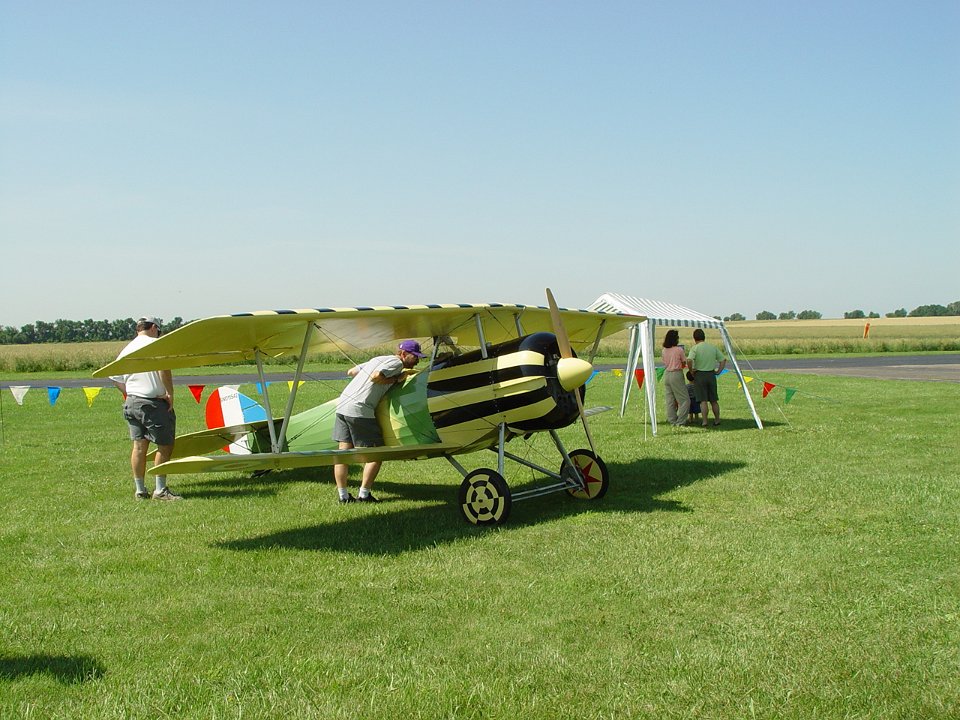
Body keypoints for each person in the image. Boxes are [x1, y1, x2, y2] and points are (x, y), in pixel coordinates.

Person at [333, 339, 425, 504]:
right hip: (360, 409)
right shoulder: (397, 363)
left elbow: (351, 372)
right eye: (415, 356)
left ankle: (343, 496)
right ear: (404, 354)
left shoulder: (378, 359)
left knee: (343, 454)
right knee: (376, 454)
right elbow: (376, 377)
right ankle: (364, 495)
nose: (417, 360)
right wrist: (396, 379)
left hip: (341, 407)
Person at [110, 317, 181, 500]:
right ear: (154, 328)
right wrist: (169, 394)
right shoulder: (156, 345)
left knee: (139, 447)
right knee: (165, 445)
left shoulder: (127, 348)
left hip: (131, 403)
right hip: (152, 404)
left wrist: (131, 393)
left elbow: (115, 378)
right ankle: (160, 489)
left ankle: (140, 490)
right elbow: (164, 370)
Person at [687, 328, 726, 427]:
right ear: (704, 337)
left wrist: (691, 370)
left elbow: (689, 360)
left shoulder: (695, 348)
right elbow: (723, 360)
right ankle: (717, 420)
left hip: (699, 375)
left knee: (703, 400)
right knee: (714, 400)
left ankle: (704, 421)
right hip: (711, 374)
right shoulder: (712, 347)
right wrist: (719, 371)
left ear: (694, 338)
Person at [660, 329, 689, 426]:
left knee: (670, 400)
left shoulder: (664, 350)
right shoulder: (679, 350)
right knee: (684, 400)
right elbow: (684, 362)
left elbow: (664, 362)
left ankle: (672, 420)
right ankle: (680, 421)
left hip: (667, 374)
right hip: (676, 374)